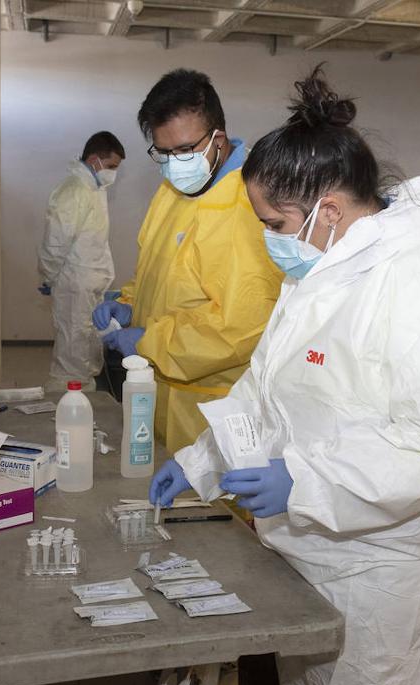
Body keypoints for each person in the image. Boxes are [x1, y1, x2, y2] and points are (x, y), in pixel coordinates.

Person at [149, 66, 420, 685]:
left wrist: (305, 482)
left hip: (398, 571)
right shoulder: (321, 272)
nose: (268, 239)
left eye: (273, 224)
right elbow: (267, 390)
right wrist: (204, 457)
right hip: (316, 552)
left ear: (326, 209)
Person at [92, 70, 281, 453]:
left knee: (212, 506)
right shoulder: (173, 191)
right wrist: (129, 304)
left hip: (212, 409)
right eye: (162, 153)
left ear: (218, 139)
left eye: (184, 151)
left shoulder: (249, 204)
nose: (174, 163)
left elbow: (241, 326)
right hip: (162, 395)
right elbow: (156, 271)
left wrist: (152, 340)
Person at [38, 131, 125, 391]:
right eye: (110, 166)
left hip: (89, 283)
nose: (112, 173)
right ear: (94, 159)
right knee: (73, 342)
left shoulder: (94, 189)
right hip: (74, 282)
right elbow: (56, 241)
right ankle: (65, 395)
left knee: (85, 340)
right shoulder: (74, 190)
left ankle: (83, 392)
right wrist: (48, 275)